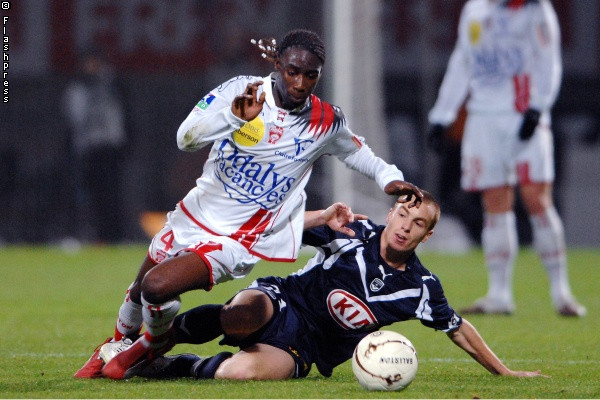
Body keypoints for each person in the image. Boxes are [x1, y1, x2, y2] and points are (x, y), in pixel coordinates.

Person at [74, 29, 423, 380]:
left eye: (311, 75)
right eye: (293, 72)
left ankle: (150, 346)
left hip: (238, 239)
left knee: (156, 287)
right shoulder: (240, 90)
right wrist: (234, 117)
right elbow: (185, 139)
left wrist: (389, 178)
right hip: (195, 214)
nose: (300, 83)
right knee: (139, 292)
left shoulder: (325, 121)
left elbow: (359, 152)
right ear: (277, 64)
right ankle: (116, 344)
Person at [99, 192, 545, 381]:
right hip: (283, 300)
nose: (406, 226)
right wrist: (320, 217)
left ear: (426, 236)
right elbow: (285, 228)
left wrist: (504, 373)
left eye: (418, 224)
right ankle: (153, 343)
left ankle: (170, 367)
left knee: (239, 374)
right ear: (391, 213)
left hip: (307, 347)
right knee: (241, 316)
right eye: (403, 215)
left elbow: (458, 328)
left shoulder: (422, 288)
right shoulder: (354, 232)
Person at [427, 0, 585, 316]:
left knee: (537, 199)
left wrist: (538, 107)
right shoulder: (475, 9)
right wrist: (442, 114)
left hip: (521, 114)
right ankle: (499, 294)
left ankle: (561, 292)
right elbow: (463, 61)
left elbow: (549, 61)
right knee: (495, 202)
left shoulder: (535, 10)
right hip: (483, 118)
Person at [62, 49, 128, 243]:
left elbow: (123, 117)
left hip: (110, 149)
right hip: (88, 150)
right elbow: (74, 120)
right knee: (89, 195)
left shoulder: (113, 85)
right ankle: (90, 234)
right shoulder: (77, 89)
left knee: (112, 194)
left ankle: (114, 235)